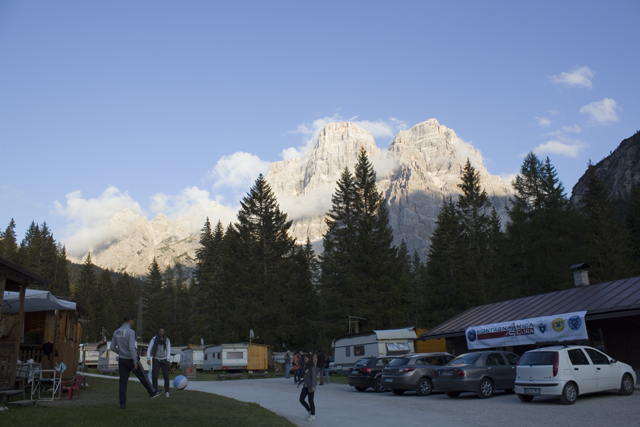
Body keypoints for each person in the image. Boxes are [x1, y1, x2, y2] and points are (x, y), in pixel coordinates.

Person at [110, 313, 161, 408]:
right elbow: (131, 348)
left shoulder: (116, 332)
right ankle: (152, 392)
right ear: (130, 320)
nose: (133, 322)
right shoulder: (130, 332)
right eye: (133, 321)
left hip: (121, 359)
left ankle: (122, 403)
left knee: (123, 382)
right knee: (142, 376)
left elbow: (112, 347)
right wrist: (134, 360)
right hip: (130, 358)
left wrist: (120, 352)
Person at [146, 326, 172, 397]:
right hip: (156, 358)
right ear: (158, 332)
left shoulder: (167, 340)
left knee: (166, 376)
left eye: (162, 331)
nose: (161, 333)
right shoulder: (154, 339)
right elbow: (149, 348)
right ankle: (155, 390)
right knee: (155, 375)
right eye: (160, 331)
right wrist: (148, 358)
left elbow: (168, 349)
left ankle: (167, 391)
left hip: (164, 359)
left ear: (164, 332)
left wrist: (168, 359)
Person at [298, 354, 318, 422]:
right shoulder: (306, 367)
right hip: (305, 386)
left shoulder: (312, 367)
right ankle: (309, 410)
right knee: (301, 399)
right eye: (304, 359)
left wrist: (313, 386)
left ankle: (313, 415)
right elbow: (306, 377)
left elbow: (313, 377)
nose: (305, 360)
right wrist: (301, 382)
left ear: (309, 359)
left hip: (310, 386)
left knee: (310, 401)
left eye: (306, 359)